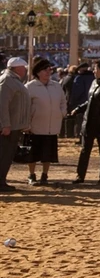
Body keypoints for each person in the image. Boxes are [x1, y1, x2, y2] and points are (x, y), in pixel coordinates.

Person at [72, 58, 100, 185]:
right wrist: (79, 109)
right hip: (89, 123)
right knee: (85, 150)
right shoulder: (94, 83)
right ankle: (80, 176)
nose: (93, 71)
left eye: (96, 68)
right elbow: (90, 101)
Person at [25, 58, 67, 186]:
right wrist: (27, 124)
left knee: (48, 153)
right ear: (38, 72)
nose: (48, 72)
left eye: (50, 69)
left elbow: (63, 102)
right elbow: (25, 107)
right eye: (45, 69)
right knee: (32, 153)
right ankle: (32, 175)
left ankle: (45, 175)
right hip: (35, 127)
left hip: (52, 126)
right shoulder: (30, 87)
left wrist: (61, 113)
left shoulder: (56, 86)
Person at [0, 57, 31, 192]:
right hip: (8, 127)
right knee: (4, 154)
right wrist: (5, 124)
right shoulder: (7, 81)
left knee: (8, 155)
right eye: (24, 68)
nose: (25, 70)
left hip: (14, 125)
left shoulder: (13, 80)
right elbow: (2, 104)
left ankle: (2, 180)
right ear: (18, 68)